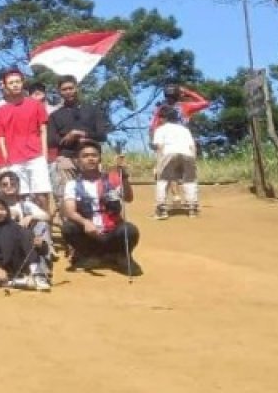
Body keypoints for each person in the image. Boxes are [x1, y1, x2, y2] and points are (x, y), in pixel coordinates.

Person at [61, 140, 141, 275]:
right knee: (68, 228)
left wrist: (124, 176)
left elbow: (128, 198)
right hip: (89, 234)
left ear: (100, 159)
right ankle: (88, 256)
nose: (90, 159)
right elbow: (70, 212)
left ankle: (120, 256)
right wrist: (85, 222)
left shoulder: (112, 179)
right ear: (78, 161)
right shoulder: (72, 185)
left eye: (94, 155)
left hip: (111, 231)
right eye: (85, 156)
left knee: (129, 230)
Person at [0, 68, 51, 209]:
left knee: (41, 194)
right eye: (11, 83)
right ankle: (25, 227)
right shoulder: (0, 111)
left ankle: (44, 227)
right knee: (20, 195)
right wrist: (6, 157)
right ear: (5, 86)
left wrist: (44, 153)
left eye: (18, 82)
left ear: (22, 83)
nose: (15, 85)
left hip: (35, 156)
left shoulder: (35, 104)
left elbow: (43, 130)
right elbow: (0, 136)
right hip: (14, 159)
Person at [47, 75, 111, 197]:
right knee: (67, 196)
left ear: (77, 88)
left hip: (90, 157)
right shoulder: (55, 115)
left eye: (70, 88)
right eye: (64, 89)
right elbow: (51, 141)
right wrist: (68, 138)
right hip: (67, 159)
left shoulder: (93, 110)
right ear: (59, 92)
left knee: (95, 194)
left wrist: (83, 134)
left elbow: (102, 135)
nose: (68, 92)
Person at [152, 104, 200, 219]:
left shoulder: (160, 129)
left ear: (163, 118)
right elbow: (192, 147)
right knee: (189, 179)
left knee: (162, 179)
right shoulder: (184, 129)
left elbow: (160, 147)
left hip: (169, 152)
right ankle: (192, 208)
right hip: (187, 153)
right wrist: (193, 162)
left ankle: (161, 209)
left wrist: (159, 165)